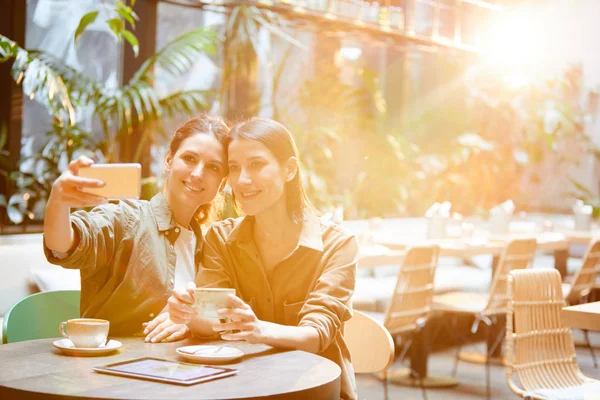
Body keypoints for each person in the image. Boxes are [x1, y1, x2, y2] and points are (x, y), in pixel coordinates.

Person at [148, 118, 358, 399]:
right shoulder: (220, 239)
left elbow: (315, 335)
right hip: (243, 389)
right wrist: (187, 315)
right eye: (234, 168)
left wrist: (258, 329)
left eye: (256, 165)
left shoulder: (338, 244)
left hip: (314, 391)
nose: (242, 180)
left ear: (289, 170)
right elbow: (213, 318)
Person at [43, 115, 230, 340]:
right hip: (114, 367)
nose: (198, 173)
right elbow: (62, 245)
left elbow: (218, 318)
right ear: (169, 161)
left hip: (182, 368)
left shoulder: (210, 245)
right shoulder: (128, 218)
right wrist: (58, 201)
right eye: (189, 158)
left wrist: (188, 323)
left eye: (213, 167)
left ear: (222, 183)